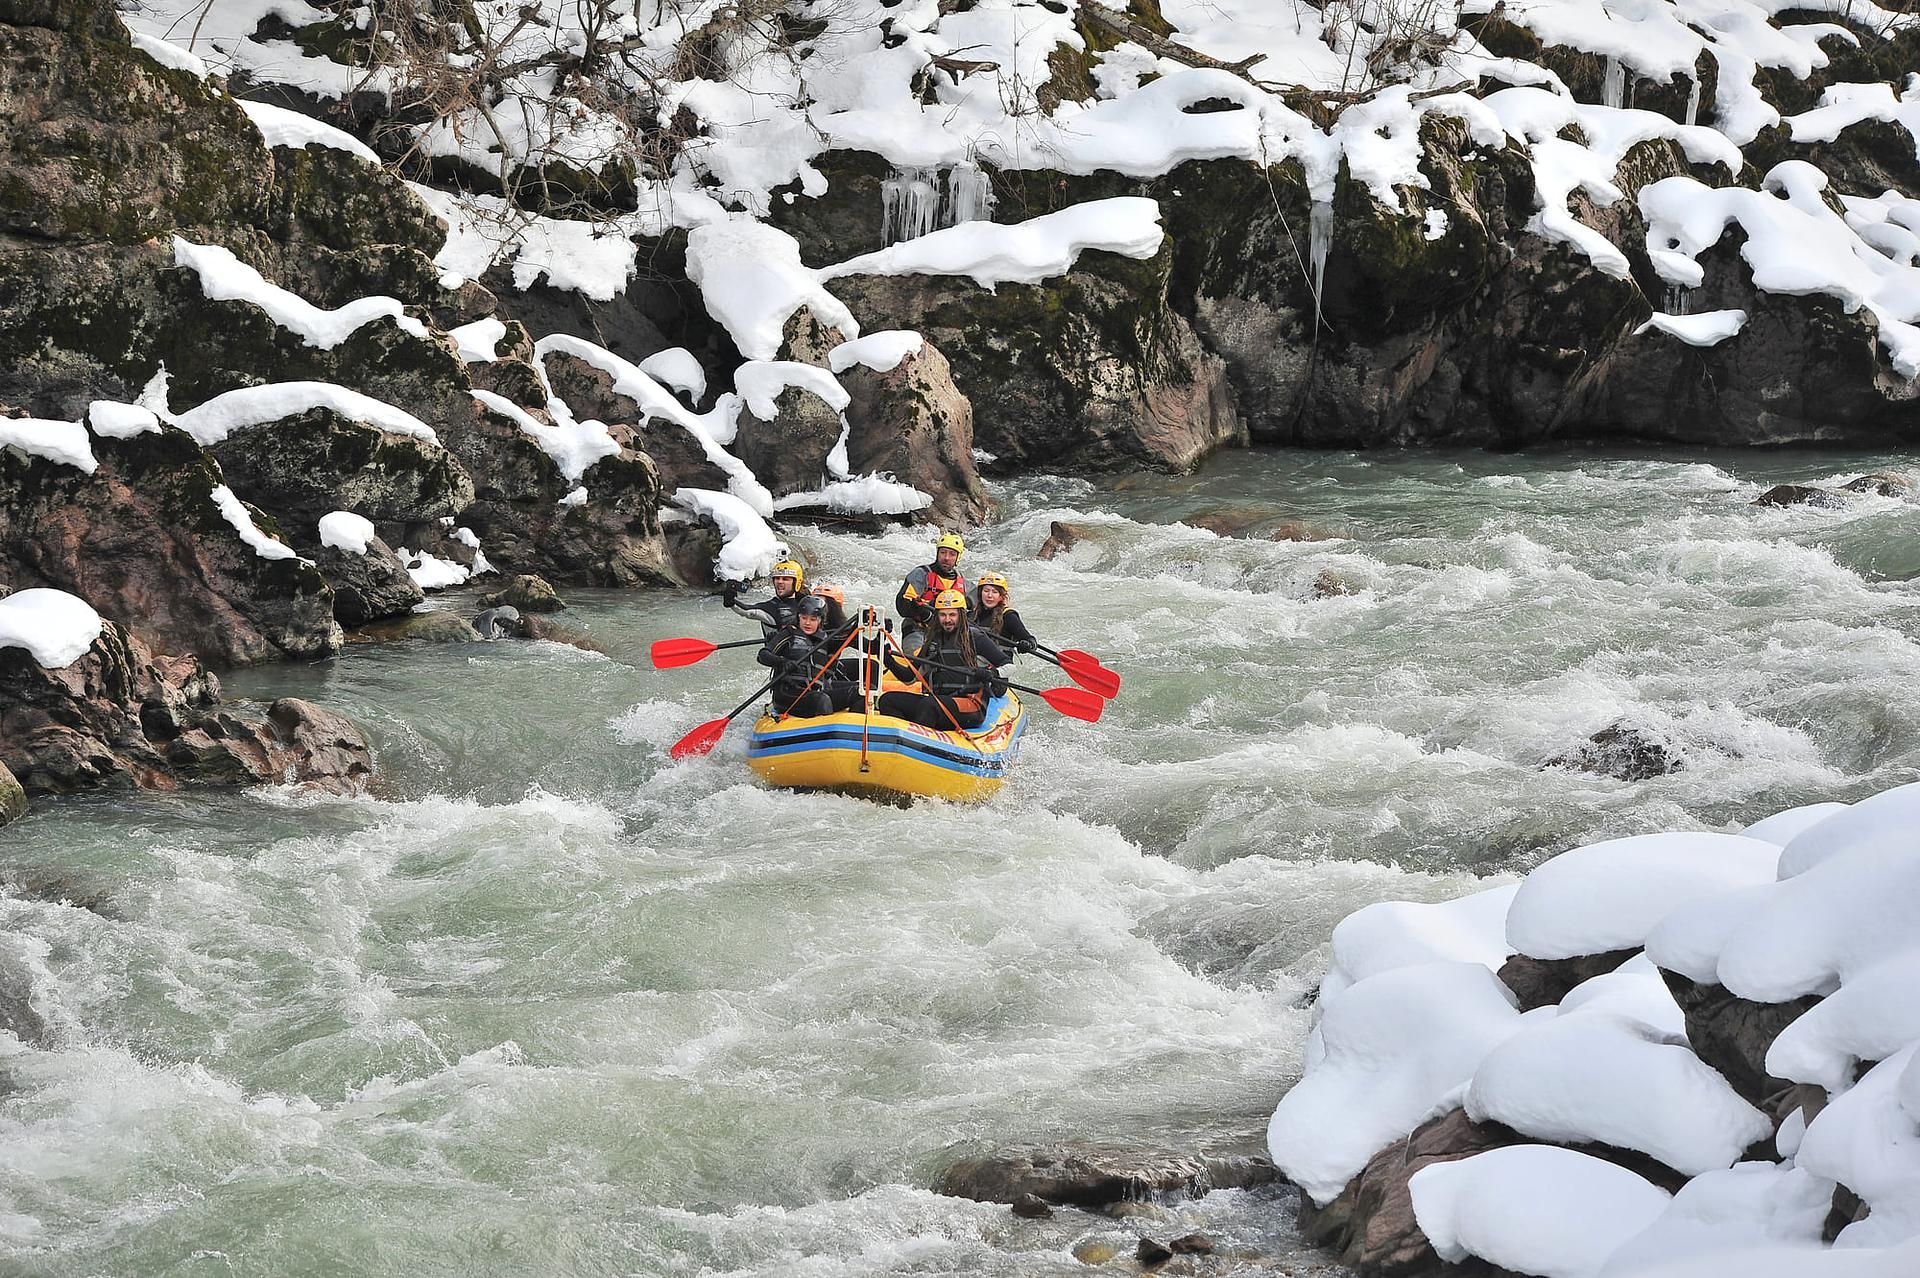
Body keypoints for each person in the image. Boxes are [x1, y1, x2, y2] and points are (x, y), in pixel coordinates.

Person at [879, 589, 1008, 730]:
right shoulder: (933, 641)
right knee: (888, 700)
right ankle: (904, 740)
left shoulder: (976, 638)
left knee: (929, 705)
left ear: (962, 615)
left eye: (952, 615)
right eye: (943, 615)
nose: (947, 620)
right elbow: (910, 677)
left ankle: (922, 740)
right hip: (938, 701)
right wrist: (888, 660)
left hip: (969, 704)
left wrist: (994, 673)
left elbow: (1008, 665)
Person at [758, 595, 856, 718]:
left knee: (859, 692)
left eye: (813, 619)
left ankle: (856, 731)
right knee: (822, 700)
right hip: (787, 694)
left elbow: (853, 636)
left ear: (821, 620)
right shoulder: (788, 634)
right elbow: (762, 655)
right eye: (804, 618)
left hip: (814, 692)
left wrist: (866, 623)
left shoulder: (826, 639)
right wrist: (782, 662)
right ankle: (824, 732)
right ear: (798, 617)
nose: (807, 623)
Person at [895, 532, 968, 646]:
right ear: (937, 553)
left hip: (947, 631)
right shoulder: (921, 574)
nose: (946, 558)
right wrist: (919, 610)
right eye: (943, 552)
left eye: (952, 554)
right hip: (918, 628)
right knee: (916, 657)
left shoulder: (961, 581)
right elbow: (902, 606)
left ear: (958, 557)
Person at [725, 558, 807, 635]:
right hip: (776, 649)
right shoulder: (771, 608)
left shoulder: (806, 601)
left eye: (785, 579)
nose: (780, 582)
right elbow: (747, 611)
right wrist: (732, 602)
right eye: (777, 578)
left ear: (797, 582)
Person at [968, 572, 1037, 653]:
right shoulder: (970, 616)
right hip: (973, 662)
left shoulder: (1008, 616)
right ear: (980, 593)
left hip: (1000, 663)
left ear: (1001, 596)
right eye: (986, 591)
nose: (989, 595)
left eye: (995, 592)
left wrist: (1027, 644)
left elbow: (1031, 640)